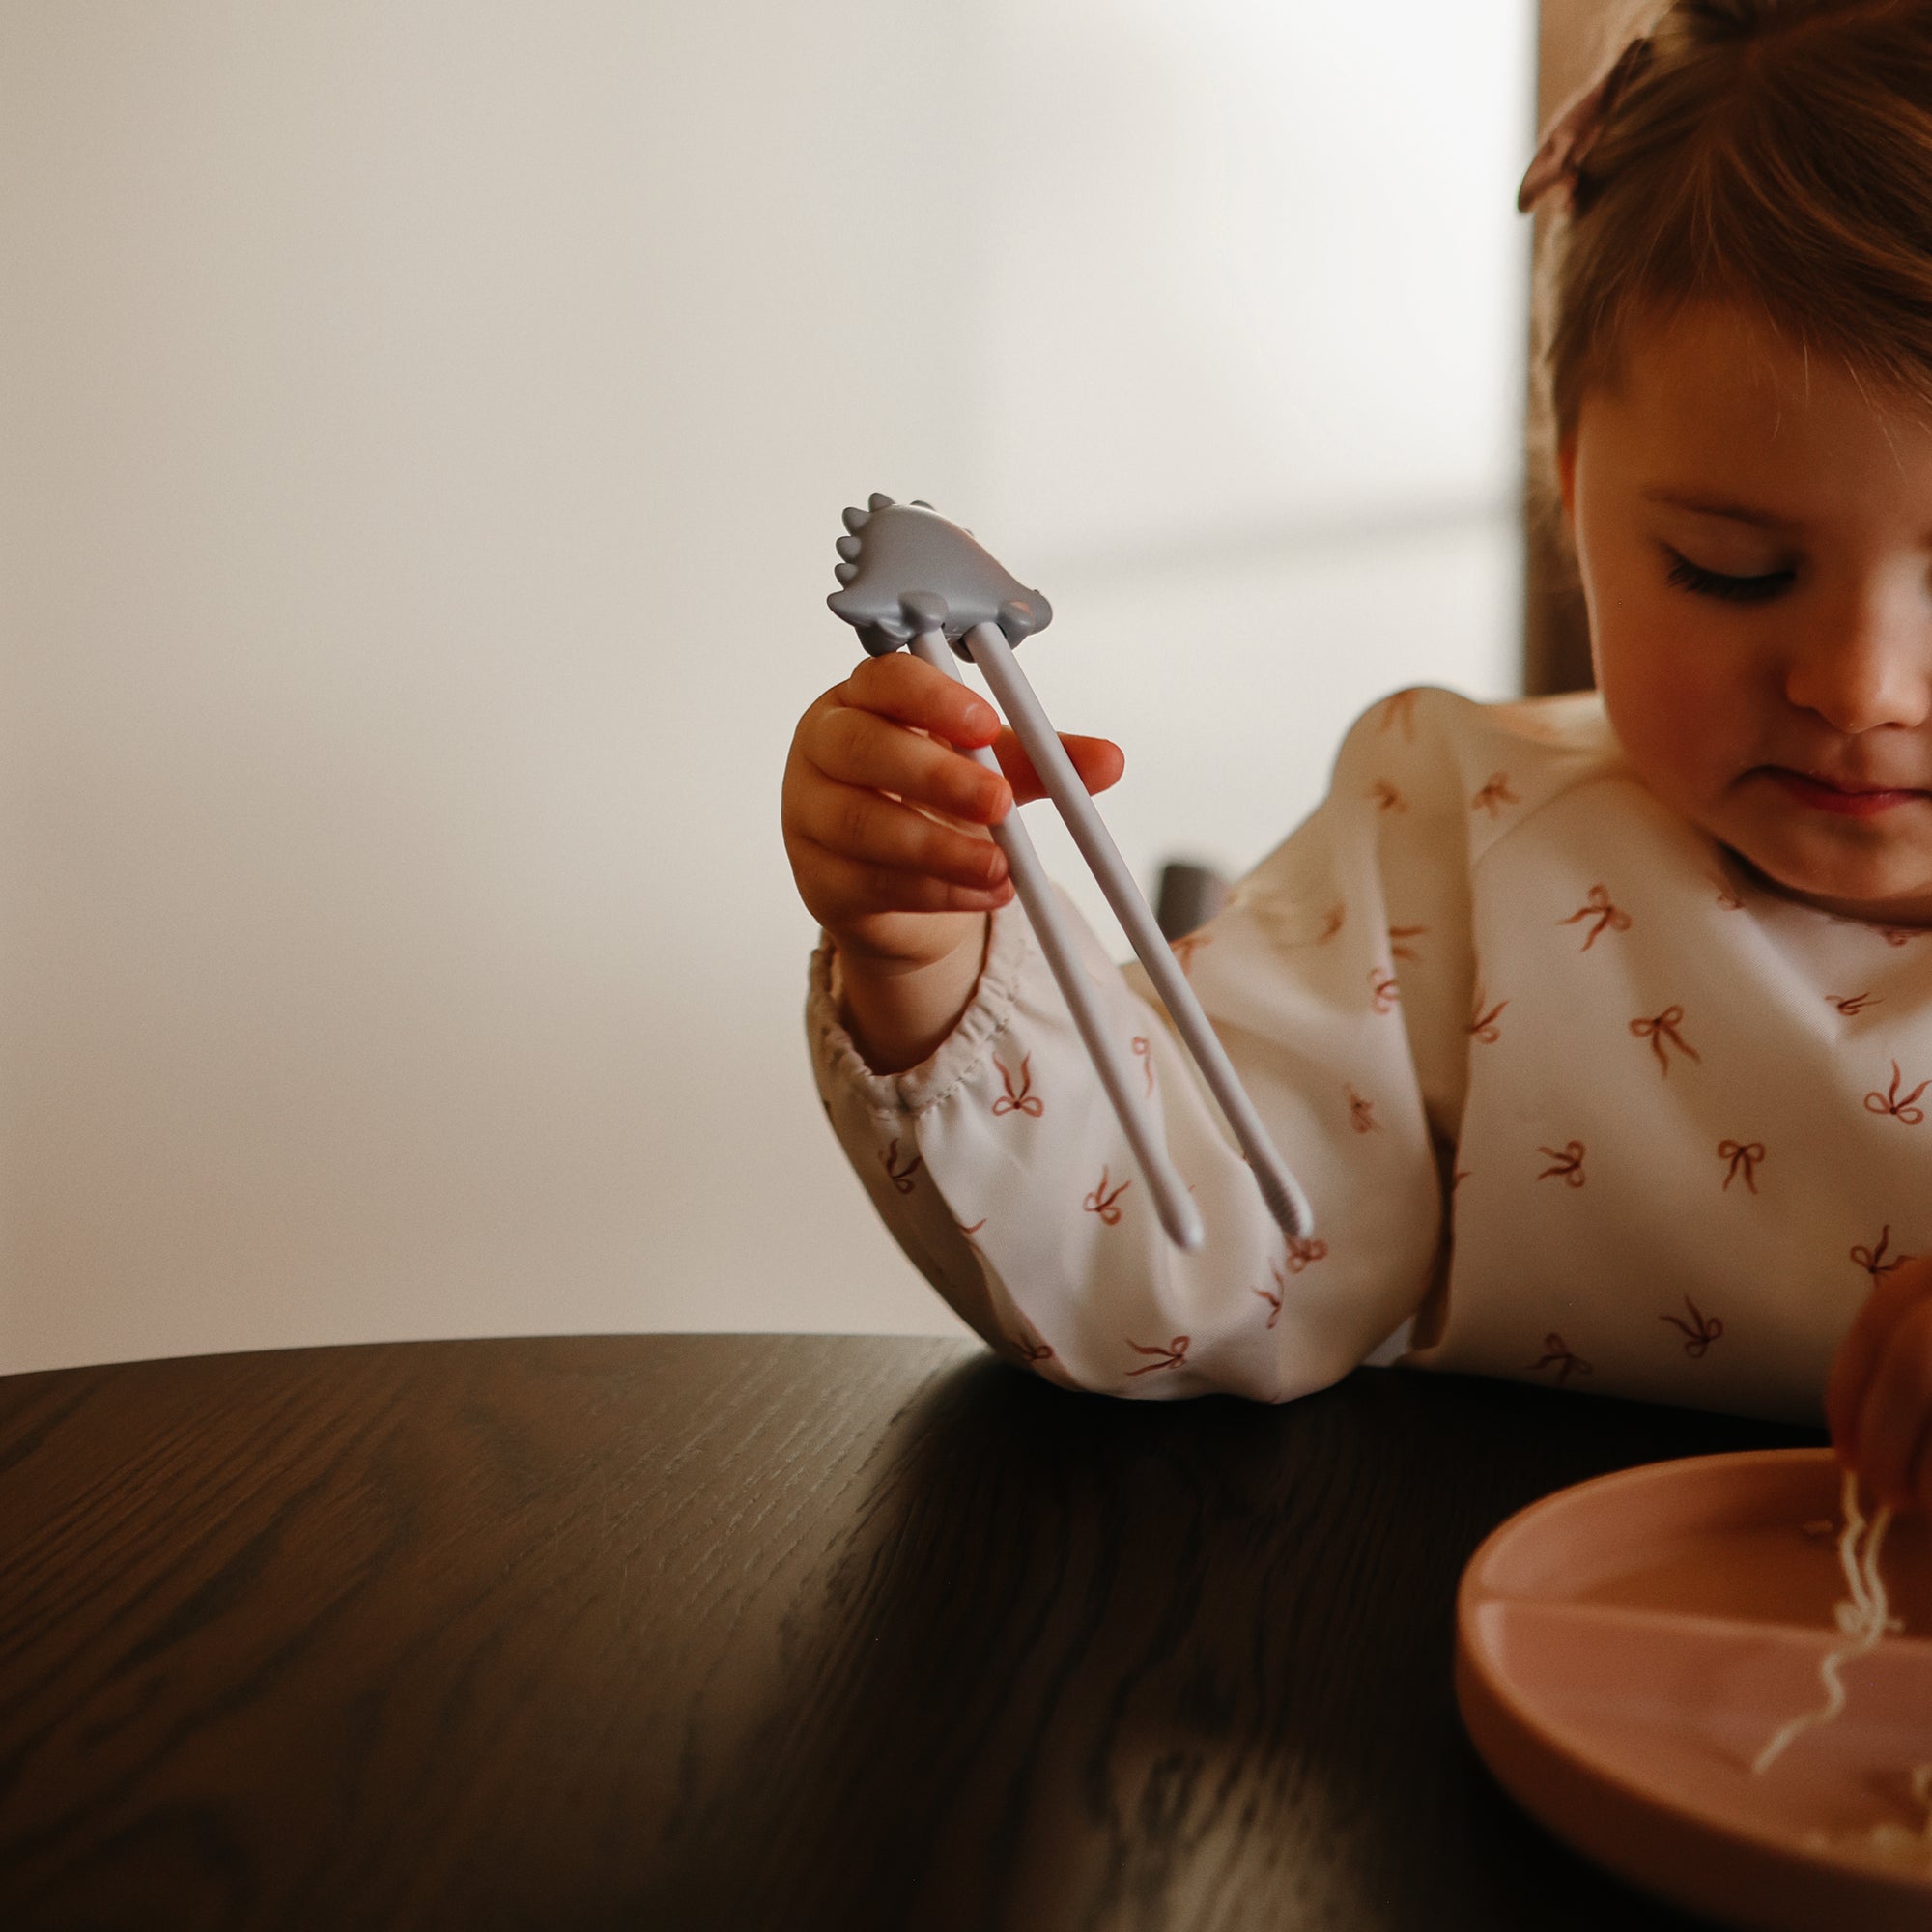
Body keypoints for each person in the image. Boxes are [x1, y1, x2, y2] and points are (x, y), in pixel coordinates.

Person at [781, 0, 1932, 1518]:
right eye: (1729, 569)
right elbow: (1179, 1266)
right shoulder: (1457, 849)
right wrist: (928, 960)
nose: (1857, 686)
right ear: (1575, 488)